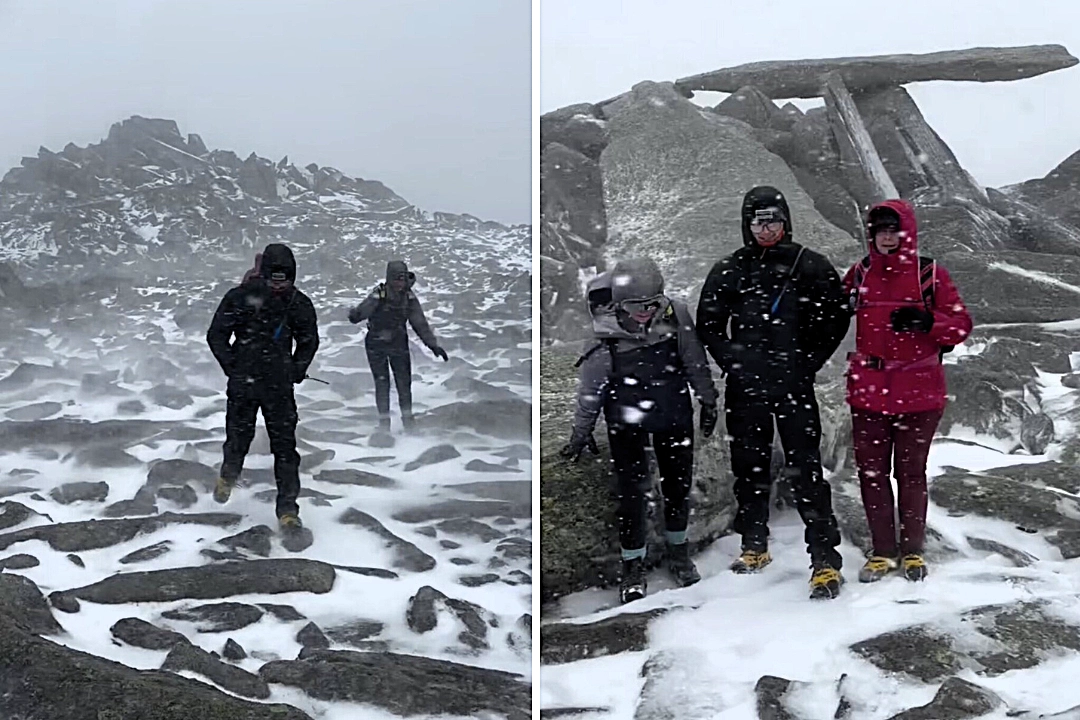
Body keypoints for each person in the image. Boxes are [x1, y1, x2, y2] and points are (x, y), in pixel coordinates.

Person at [696, 185, 851, 600]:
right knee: (749, 468)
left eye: (774, 221)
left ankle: (823, 559)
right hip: (746, 387)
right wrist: (733, 361)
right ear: (747, 225)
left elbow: (835, 317)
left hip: (793, 384)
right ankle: (754, 545)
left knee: (807, 471)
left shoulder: (810, 265)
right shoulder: (730, 269)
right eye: (759, 221)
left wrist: (807, 361)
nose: (767, 229)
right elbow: (708, 324)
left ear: (786, 222)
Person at [561, 257, 719, 604]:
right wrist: (580, 433)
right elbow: (590, 391)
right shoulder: (603, 336)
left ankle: (679, 554)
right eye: (635, 305)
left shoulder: (675, 314)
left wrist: (708, 400)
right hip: (626, 423)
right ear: (618, 303)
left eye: (652, 303)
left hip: (672, 413)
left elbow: (694, 360)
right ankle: (633, 566)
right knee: (632, 495)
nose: (645, 311)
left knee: (677, 487)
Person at [843, 199, 972, 583]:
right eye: (880, 231)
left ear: (907, 232)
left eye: (893, 230)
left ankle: (912, 552)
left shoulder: (930, 274)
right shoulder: (860, 273)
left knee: (911, 473)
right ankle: (883, 552)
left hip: (918, 393)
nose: (886, 238)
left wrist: (927, 321)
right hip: (868, 392)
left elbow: (961, 326)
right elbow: (830, 312)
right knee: (871, 474)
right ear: (871, 235)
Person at [207, 243, 320, 532]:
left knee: (285, 449)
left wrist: (295, 370)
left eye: (286, 279)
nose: (279, 285)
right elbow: (216, 335)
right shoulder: (239, 297)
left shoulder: (298, 302)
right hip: (244, 386)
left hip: (279, 388)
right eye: (274, 278)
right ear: (264, 273)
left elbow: (309, 340)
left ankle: (287, 511)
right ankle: (228, 476)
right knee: (237, 440)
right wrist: (233, 368)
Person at [348, 261, 448, 431]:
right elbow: (358, 316)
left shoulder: (409, 297)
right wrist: (359, 310)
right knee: (382, 383)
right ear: (389, 278)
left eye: (402, 279)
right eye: (395, 279)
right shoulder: (379, 294)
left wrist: (433, 346)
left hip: (398, 342)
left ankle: (408, 422)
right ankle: (384, 424)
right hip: (375, 343)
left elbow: (420, 323)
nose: (399, 283)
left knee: (404, 383)